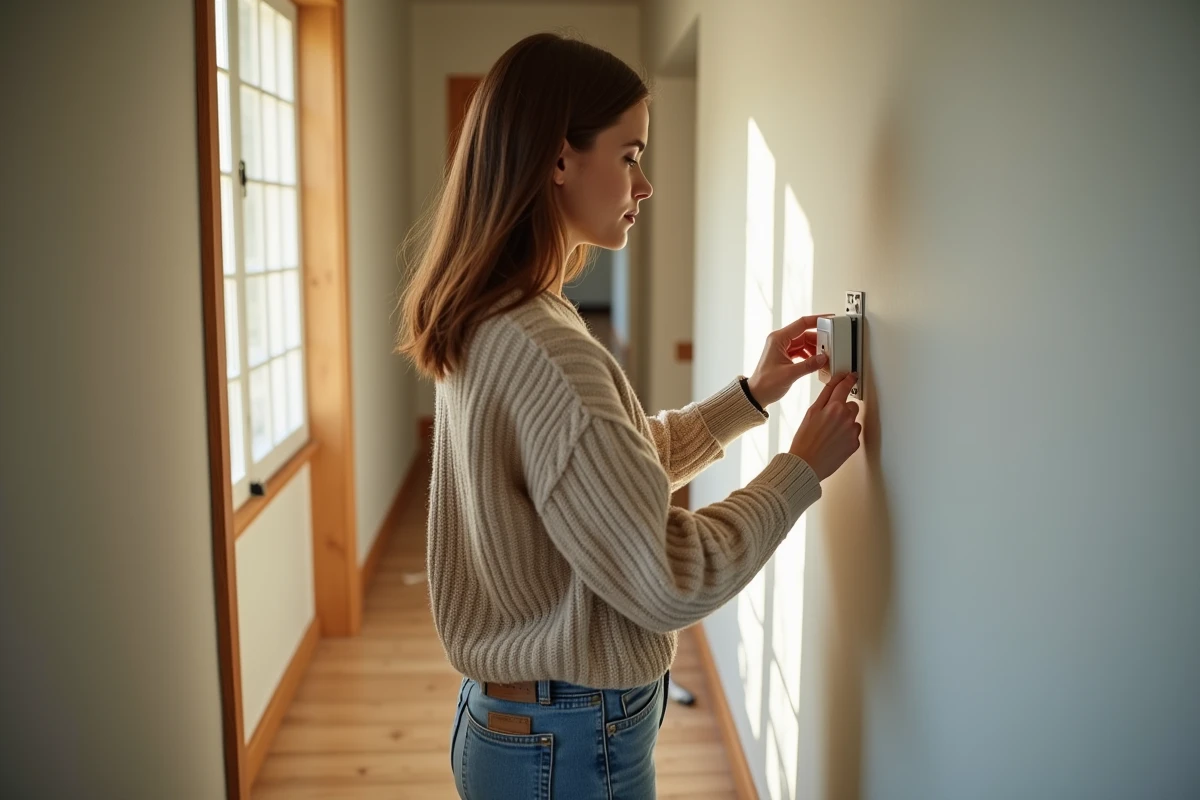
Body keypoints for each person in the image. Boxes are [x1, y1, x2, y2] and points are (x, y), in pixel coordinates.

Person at [396, 31, 861, 800]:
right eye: (630, 154)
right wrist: (799, 471)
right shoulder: (547, 346)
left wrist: (750, 397)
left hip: (515, 726)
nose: (644, 185)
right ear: (557, 158)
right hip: (567, 741)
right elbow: (668, 577)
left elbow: (600, 477)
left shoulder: (493, 318)